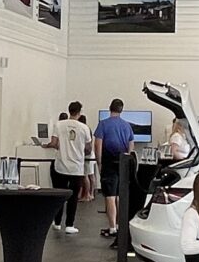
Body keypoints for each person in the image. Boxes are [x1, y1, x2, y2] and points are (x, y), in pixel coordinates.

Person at [39, 107, 93, 232]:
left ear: (69, 111)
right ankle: (70, 225)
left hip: (60, 166)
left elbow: (53, 143)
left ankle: (57, 222)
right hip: (76, 168)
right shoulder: (84, 128)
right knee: (73, 198)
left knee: (59, 195)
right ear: (79, 113)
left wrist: (49, 146)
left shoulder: (59, 125)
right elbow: (88, 149)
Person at [94, 98, 136, 237]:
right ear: (121, 110)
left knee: (110, 196)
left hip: (108, 162)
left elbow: (98, 145)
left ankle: (112, 227)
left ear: (109, 108)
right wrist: (128, 161)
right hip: (123, 163)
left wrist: (99, 163)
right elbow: (131, 145)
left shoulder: (103, 124)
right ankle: (119, 225)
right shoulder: (126, 125)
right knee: (119, 196)